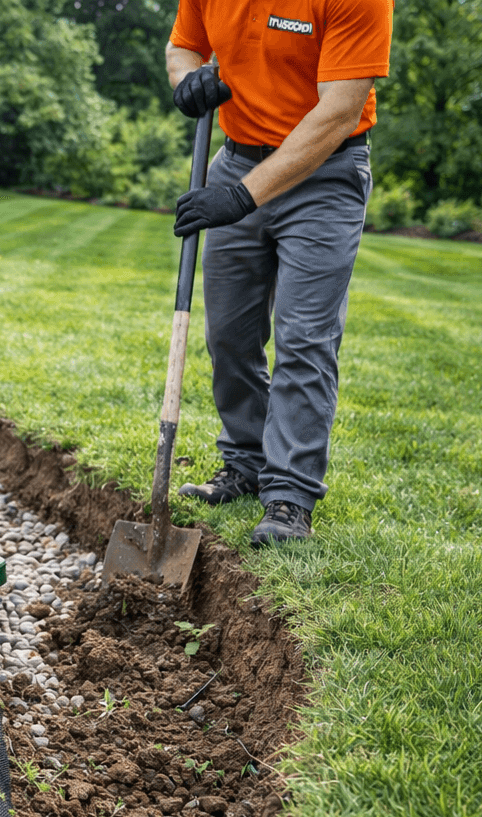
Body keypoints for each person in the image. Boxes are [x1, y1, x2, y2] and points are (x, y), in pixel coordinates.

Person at [165, 0, 393, 546]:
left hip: (326, 174)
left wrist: (243, 197)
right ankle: (245, 461)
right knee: (229, 335)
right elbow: (184, 46)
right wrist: (187, 81)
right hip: (237, 160)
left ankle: (289, 495)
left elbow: (338, 112)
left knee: (305, 339)